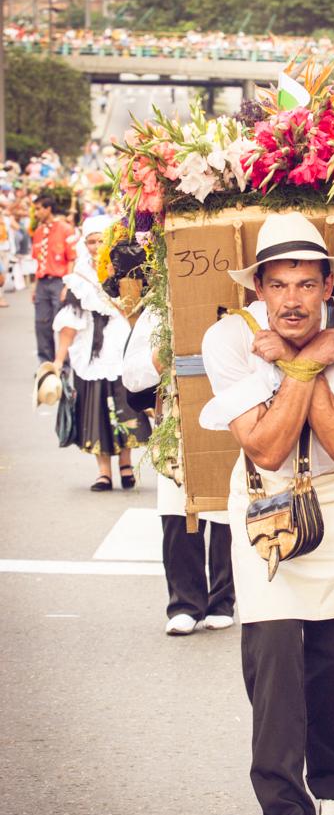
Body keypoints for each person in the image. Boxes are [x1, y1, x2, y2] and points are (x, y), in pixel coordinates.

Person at [200, 212, 334, 815]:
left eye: (306, 285)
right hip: (266, 507)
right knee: (274, 654)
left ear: (327, 287)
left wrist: (293, 367)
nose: (291, 300)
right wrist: (308, 364)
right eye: (278, 285)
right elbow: (265, 442)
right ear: (257, 287)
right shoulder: (228, 337)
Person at [122, 306, 236, 635]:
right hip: (177, 418)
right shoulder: (161, 308)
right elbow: (132, 376)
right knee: (176, 509)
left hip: (231, 411)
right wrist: (160, 357)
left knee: (227, 508)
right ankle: (185, 603)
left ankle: (223, 599)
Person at [52, 216, 151, 491]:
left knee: (126, 408)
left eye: (100, 240)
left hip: (122, 349)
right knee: (96, 412)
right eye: (91, 241)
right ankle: (103, 472)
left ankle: (126, 466)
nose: (96, 246)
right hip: (92, 356)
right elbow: (71, 321)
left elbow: (138, 310)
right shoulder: (80, 277)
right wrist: (58, 361)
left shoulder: (126, 266)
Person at [31, 196, 76, 363]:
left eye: (38, 209)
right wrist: (35, 288)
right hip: (42, 283)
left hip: (59, 282)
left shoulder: (65, 229)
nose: (36, 213)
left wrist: (67, 285)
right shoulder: (38, 232)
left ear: (48, 208)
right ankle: (45, 366)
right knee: (41, 325)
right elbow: (37, 260)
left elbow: (72, 258)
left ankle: (63, 367)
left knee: (63, 325)